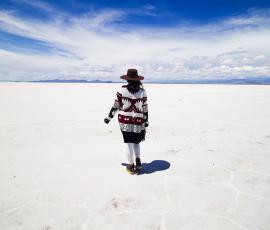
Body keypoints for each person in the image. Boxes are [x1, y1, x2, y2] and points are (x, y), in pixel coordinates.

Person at [104, 69, 149, 174]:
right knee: (137, 142)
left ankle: (130, 166)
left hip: (125, 121)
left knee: (128, 143)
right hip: (138, 121)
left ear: (127, 79)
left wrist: (109, 118)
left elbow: (116, 106)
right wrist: (146, 122)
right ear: (137, 79)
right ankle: (138, 163)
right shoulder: (142, 92)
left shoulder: (121, 90)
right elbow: (145, 108)